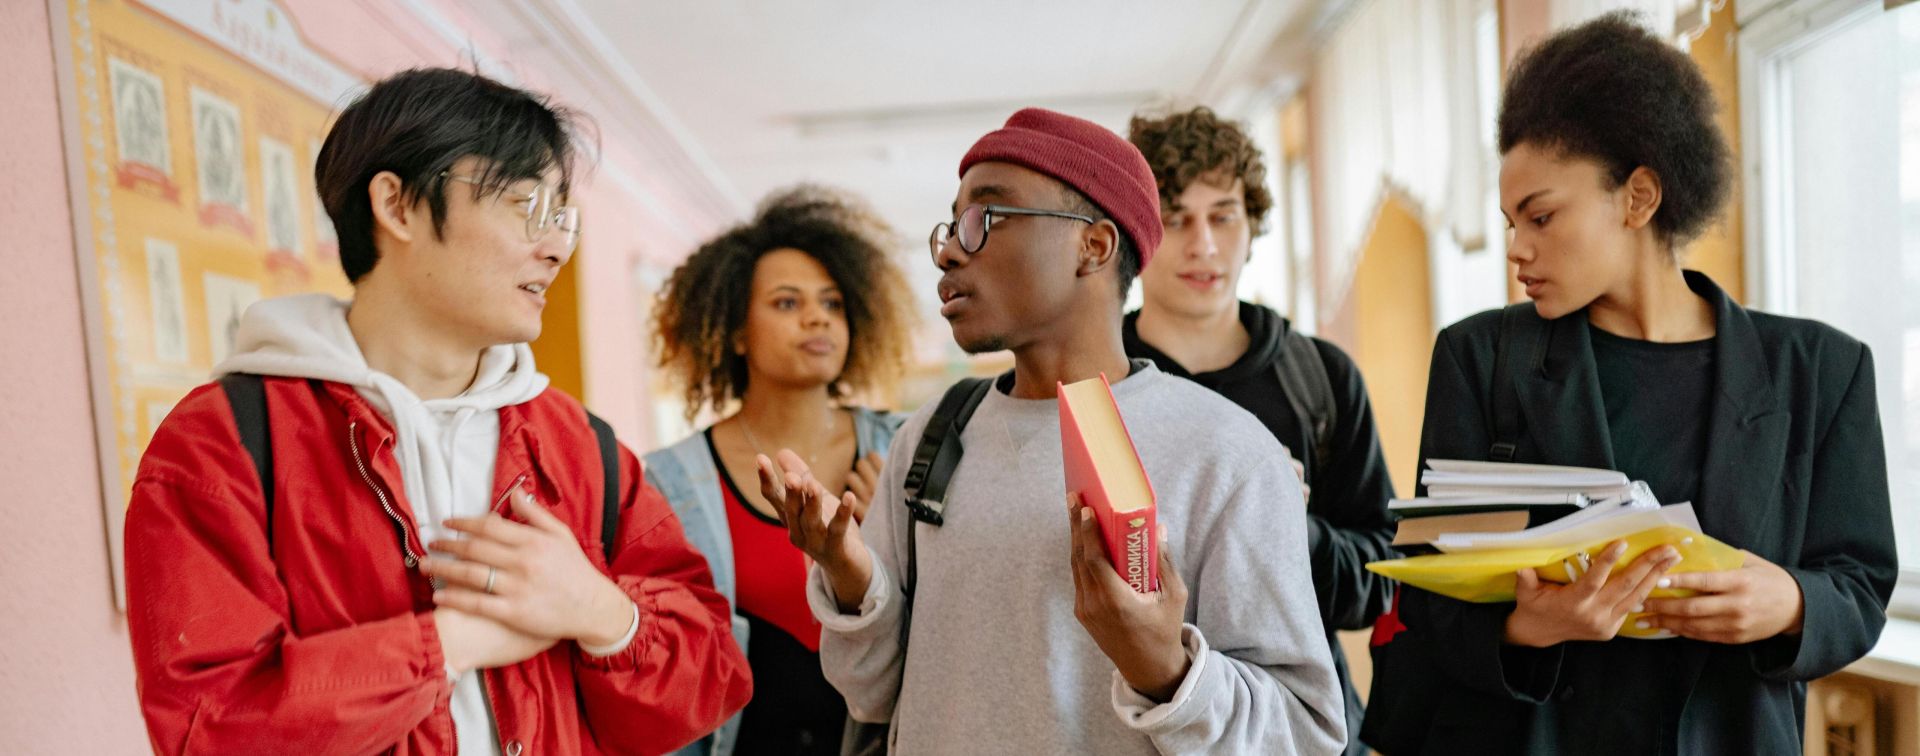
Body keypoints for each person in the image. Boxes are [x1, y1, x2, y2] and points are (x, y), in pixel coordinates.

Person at [123, 67, 752, 755]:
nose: (556, 246)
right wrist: (453, 642)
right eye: (525, 206)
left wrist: (601, 612)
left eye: (561, 217)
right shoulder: (224, 443)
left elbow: (712, 678)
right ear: (396, 206)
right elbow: (208, 728)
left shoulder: (578, 444)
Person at [1360, 14, 1897, 754]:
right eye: (1512, 222)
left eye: (1542, 216)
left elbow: (1862, 584)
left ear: (1639, 197)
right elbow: (1426, 596)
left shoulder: (1821, 372)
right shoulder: (1480, 358)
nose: (1518, 248)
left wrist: (1792, 602)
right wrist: (1529, 627)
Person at [759, 107, 1347, 754]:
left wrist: (1168, 673)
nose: (952, 249)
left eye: (986, 218)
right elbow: (872, 693)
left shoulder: (1228, 454)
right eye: (952, 225)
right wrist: (847, 574)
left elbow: (1305, 731)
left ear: (1092, 246)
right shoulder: (930, 437)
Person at [1126, 106, 1397, 754]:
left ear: (1251, 225)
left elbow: (1381, 583)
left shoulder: (1321, 379)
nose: (1204, 244)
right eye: (1175, 219)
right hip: (1135, 725)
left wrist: (1286, 526)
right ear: (1137, 231)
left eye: (1223, 215)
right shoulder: (1091, 386)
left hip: (1297, 732)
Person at [645, 185, 917, 756]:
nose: (817, 316)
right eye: (788, 303)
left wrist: (887, 540)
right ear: (736, 332)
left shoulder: (905, 450)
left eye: (833, 303)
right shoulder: (670, 481)